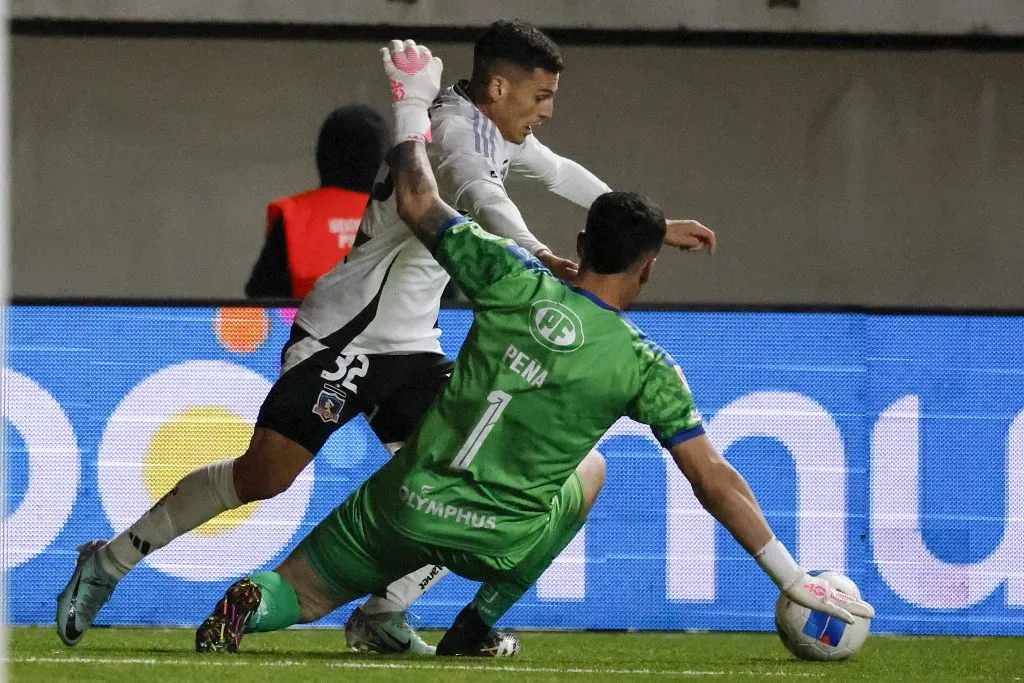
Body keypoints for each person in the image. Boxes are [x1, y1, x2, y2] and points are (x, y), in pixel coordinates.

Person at [192, 40, 875, 657]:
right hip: (499, 535)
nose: (546, 110)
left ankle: (261, 600)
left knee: (300, 589)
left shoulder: (509, 278)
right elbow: (714, 480)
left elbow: (420, 198)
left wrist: (411, 107)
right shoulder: (646, 363)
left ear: (578, 250)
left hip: (407, 502)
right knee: (592, 472)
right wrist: (795, 578)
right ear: (648, 268)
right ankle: (476, 621)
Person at [55, 20, 715, 654]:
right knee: (264, 476)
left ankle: (383, 611)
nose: (547, 110)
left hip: (415, 348)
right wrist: (548, 256)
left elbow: (558, 171)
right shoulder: (456, 134)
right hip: (347, 336)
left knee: (462, 489)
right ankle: (108, 562)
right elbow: (487, 203)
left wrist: (649, 228)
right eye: (541, 96)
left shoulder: (497, 128)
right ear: (501, 89)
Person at [245, 104, 389, 299]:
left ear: (324, 153)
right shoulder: (406, 217)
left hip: (305, 327)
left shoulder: (294, 215)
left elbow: (262, 299)